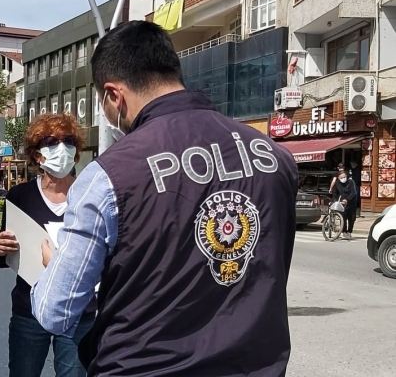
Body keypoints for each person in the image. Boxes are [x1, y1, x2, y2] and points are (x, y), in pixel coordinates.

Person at [30, 20, 299, 376]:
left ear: (114, 95)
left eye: (102, 104)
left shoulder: (107, 176)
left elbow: (54, 311)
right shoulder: (274, 156)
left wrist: (54, 267)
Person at [0, 114, 95, 377]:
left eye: (68, 141)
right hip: (30, 310)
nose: (62, 148)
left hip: (78, 311)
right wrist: (0, 249)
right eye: (51, 142)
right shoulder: (20, 196)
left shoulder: (90, 195)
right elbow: (5, 257)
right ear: (37, 155)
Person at [332, 171, 357, 239]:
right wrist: (336, 200)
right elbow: (335, 193)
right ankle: (344, 232)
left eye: (344, 177)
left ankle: (349, 232)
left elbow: (353, 192)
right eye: (342, 177)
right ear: (338, 178)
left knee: (352, 218)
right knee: (343, 218)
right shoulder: (337, 183)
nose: (343, 179)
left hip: (351, 203)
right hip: (342, 203)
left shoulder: (351, 182)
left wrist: (347, 199)